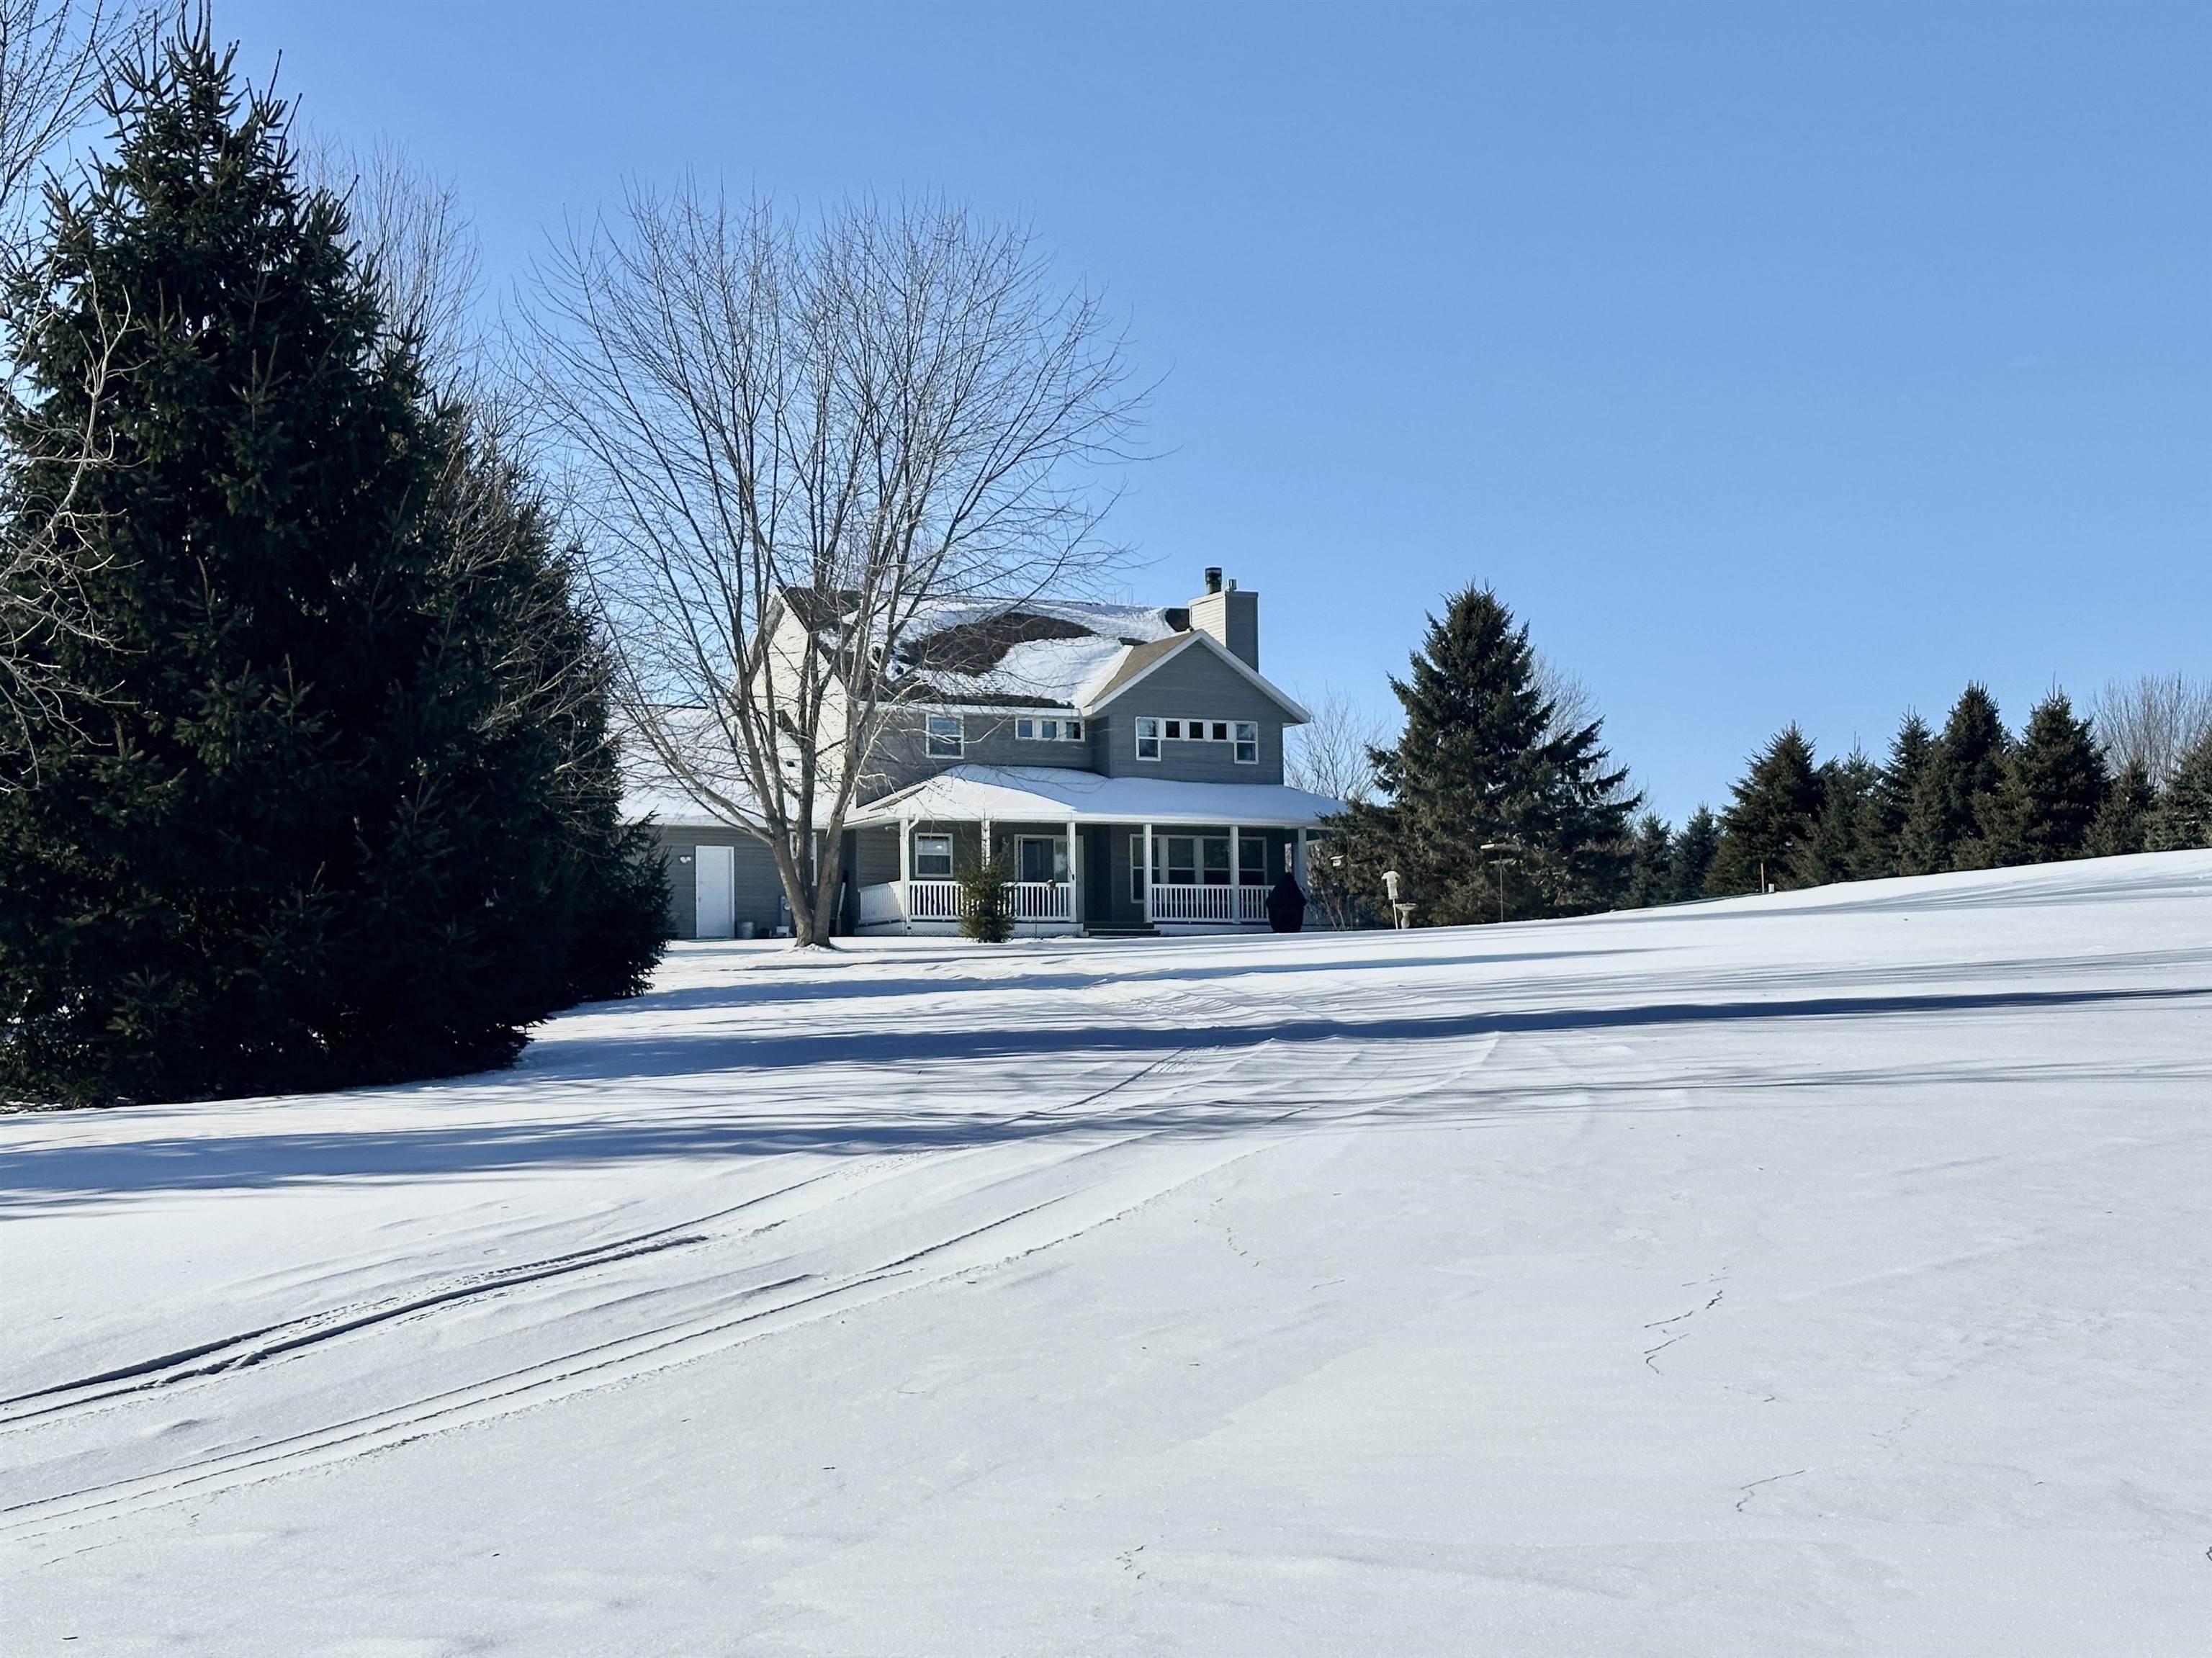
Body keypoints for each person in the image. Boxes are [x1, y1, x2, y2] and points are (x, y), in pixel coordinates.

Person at [1264, 870, 1307, 934]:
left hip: (1284, 926)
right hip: (1291, 926)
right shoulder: (1295, 894)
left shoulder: (1277, 894)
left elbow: (1269, 903)